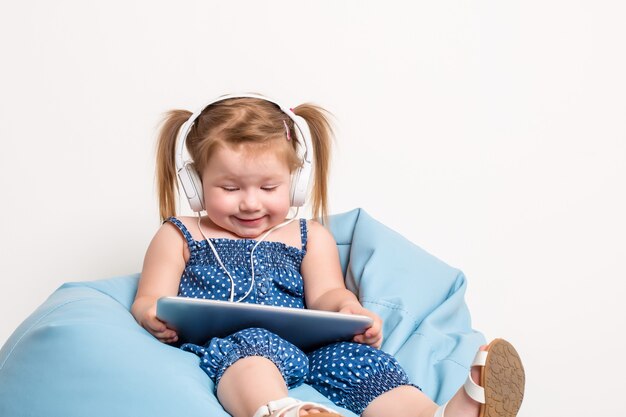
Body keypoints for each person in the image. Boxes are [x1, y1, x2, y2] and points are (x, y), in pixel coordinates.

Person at [131, 93, 525, 417]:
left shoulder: (308, 236)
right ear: (197, 185)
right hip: (232, 341)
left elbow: (326, 295)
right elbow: (149, 298)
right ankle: (279, 411)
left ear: (296, 184)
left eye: (269, 188)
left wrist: (350, 310)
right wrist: (152, 315)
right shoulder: (180, 233)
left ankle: (432, 415)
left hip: (311, 346)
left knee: (364, 366)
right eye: (230, 188)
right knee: (250, 352)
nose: (250, 203)